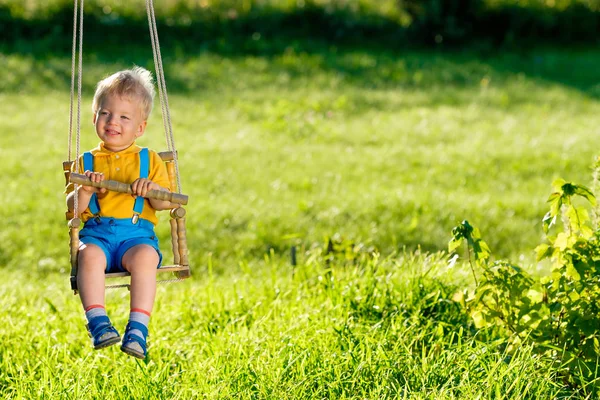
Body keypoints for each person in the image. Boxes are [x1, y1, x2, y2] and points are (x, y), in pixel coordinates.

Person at [66, 67, 176, 359]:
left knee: (146, 259)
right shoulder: (86, 161)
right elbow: (73, 211)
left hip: (135, 237)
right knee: (86, 255)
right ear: (94, 118)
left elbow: (166, 204)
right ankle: (98, 322)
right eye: (105, 113)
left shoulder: (149, 160)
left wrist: (150, 189)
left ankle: (138, 329)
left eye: (124, 117)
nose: (113, 121)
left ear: (140, 127)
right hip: (97, 235)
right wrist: (86, 190)